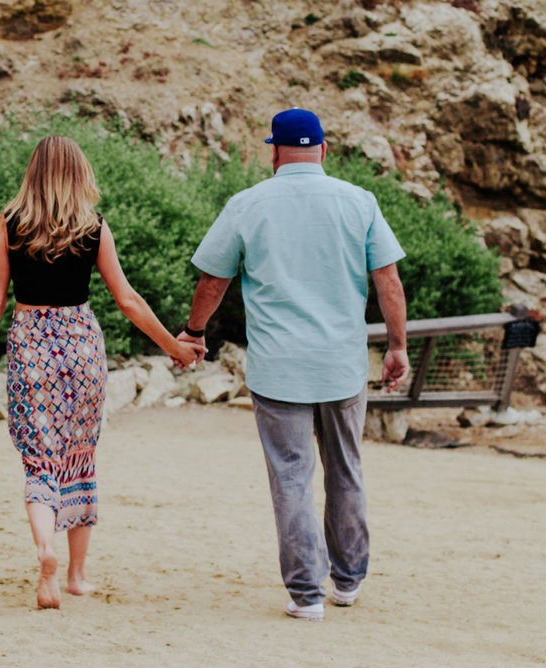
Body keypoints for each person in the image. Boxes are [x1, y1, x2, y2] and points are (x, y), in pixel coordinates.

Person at [0, 135, 205, 610]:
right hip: (81, 345)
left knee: (40, 461)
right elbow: (127, 300)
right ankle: (76, 576)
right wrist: (175, 347)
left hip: (31, 345)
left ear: (33, 173)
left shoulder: (10, 223)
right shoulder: (93, 226)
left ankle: (44, 548)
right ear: (78, 173)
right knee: (79, 458)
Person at [178, 108, 410, 622]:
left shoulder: (247, 204)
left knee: (291, 477)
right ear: (323, 150)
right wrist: (397, 347)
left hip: (279, 368)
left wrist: (193, 333)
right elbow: (388, 281)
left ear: (275, 152)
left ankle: (307, 595)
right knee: (346, 471)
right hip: (341, 367)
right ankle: (347, 583)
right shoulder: (359, 201)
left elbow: (212, 282)